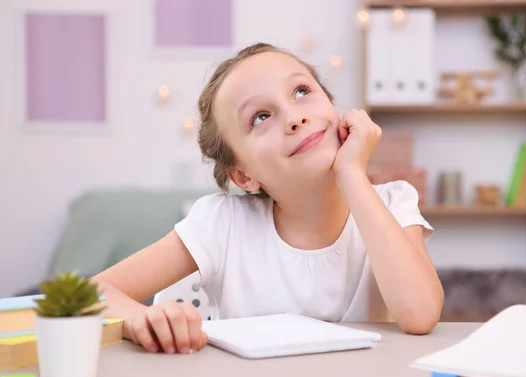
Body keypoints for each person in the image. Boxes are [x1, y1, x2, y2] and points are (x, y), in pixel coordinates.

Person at [92, 42, 444, 355]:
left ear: (334, 108)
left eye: (302, 91)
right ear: (243, 176)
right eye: (260, 117)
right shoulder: (221, 225)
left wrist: (352, 175)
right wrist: (139, 319)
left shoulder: (392, 203)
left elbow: (419, 314)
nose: (294, 117)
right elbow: (93, 292)